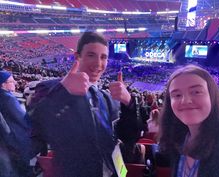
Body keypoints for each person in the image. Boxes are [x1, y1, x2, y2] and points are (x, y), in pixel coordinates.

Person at [30, 32, 141, 177]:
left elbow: (129, 138)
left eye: (103, 57)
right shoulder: (50, 88)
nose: (98, 63)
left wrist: (129, 104)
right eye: (91, 55)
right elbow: (36, 129)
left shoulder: (108, 98)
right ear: (77, 56)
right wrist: (63, 92)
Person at [158, 65, 219, 177]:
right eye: (177, 95)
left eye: (196, 92)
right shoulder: (178, 138)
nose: (186, 101)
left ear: (212, 96)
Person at [0, 70, 32, 177]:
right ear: (3, 84)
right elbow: (23, 120)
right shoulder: (8, 98)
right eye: (11, 81)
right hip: (15, 139)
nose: (14, 83)